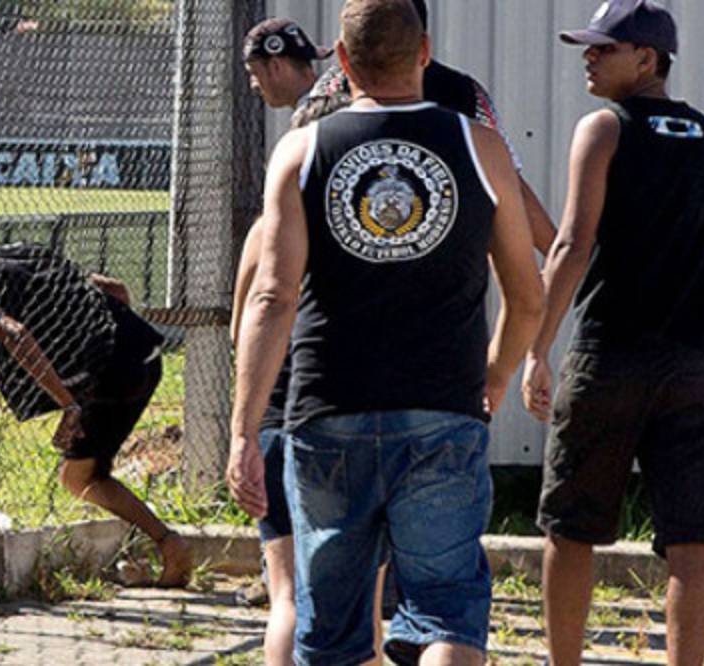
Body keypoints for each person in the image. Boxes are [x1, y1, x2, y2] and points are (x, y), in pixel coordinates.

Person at [229, 0, 543, 663]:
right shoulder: (479, 146)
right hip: (442, 404)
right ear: (424, 52)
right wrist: (496, 372)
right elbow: (528, 295)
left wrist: (243, 429)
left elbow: (272, 294)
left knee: (335, 628)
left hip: (326, 412)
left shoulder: (302, 149)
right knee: (445, 610)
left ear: (341, 64)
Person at [521, 2, 704, 664]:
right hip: (693, 362)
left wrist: (536, 347)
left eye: (603, 48)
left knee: (570, 528)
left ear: (648, 59)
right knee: (691, 538)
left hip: (609, 357)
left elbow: (571, 244)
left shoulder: (605, 129)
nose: (589, 57)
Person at [0, 210, 192, 587]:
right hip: (142, 350)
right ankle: (154, 542)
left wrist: (71, 404)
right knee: (89, 470)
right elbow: (114, 289)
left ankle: (168, 544)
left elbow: (17, 336)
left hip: (114, 373)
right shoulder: (20, 252)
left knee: (81, 478)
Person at [238, 16, 386, 665]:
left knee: (289, 595)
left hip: (278, 414)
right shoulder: (371, 230)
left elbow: (252, 315)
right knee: (362, 605)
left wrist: (244, 424)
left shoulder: (270, 224)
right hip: (347, 413)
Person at [298, 0, 557, 255]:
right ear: (424, 46)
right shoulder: (465, 93)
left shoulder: (462, 93)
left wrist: (560, 254)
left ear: (344, 51)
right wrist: (562, 259)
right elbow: (507, 186)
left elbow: (296, 187)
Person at [243, 18, 333, 113]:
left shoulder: (314, 119)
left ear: (276, 67)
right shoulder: (336, 102)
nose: (253, 85)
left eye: (255, 73)